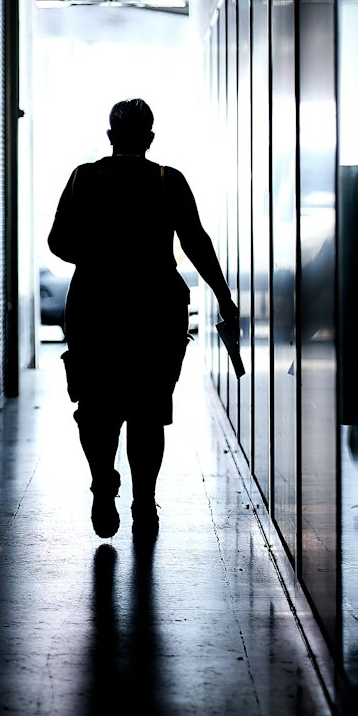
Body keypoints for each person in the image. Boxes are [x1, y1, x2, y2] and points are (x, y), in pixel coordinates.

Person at [48, 97, 239, 540]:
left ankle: (102, 484)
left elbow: (58, 242)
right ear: (150, 139)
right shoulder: (167, 181)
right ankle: (144, 502)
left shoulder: (83, 178)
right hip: (156, 310)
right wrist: (223, 296)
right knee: (148, 412)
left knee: (96, 407)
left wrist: (97, 257)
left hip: (94, 309)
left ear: (111, 137)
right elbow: (195, 241)